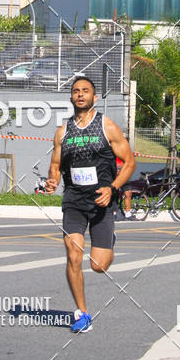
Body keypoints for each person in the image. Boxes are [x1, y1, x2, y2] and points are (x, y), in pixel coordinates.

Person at [46, 75, 136, 333]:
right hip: (74, 199)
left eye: (85, 91)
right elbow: (55, 166)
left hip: (101, 200)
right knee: (73, 252)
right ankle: (82, 313)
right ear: (71, 97)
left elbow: (129, 163)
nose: (80, 94)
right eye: (76, 91)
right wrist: (52, 182)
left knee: (98, 265)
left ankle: (109, 243)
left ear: (94, 98)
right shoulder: (62, 132)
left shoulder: (107, 126)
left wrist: (113, 188)